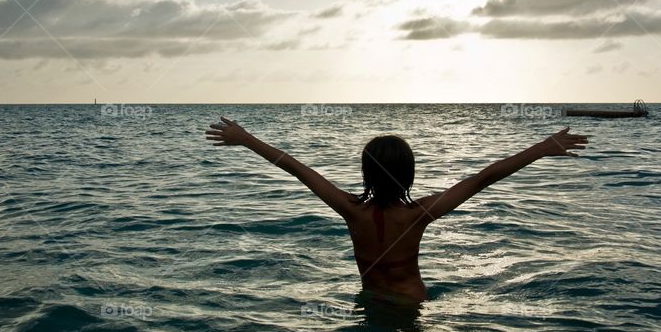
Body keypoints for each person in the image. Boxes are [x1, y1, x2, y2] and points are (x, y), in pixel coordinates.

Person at [205, 117, 588, 301]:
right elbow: (480, 180)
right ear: (410, 174)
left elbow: (295, 167)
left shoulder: (350, 210)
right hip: (410, 302)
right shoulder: (418, 214)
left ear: (365, 171)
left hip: (370, 301)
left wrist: (246, 138)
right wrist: (541, 148)